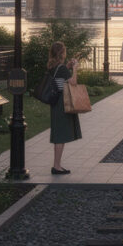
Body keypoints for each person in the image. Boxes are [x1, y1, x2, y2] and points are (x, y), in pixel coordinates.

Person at [47, 41, 80, 175]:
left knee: (58, 133)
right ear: (62, 53)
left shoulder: (52, 66)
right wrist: (75, 68)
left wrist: (67, 67)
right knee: (60, 135)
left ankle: (57, 165)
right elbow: (73, 82)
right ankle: (56, 166)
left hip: (55, 103)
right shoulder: (61, 68)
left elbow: (60, 79)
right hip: (62, 103)